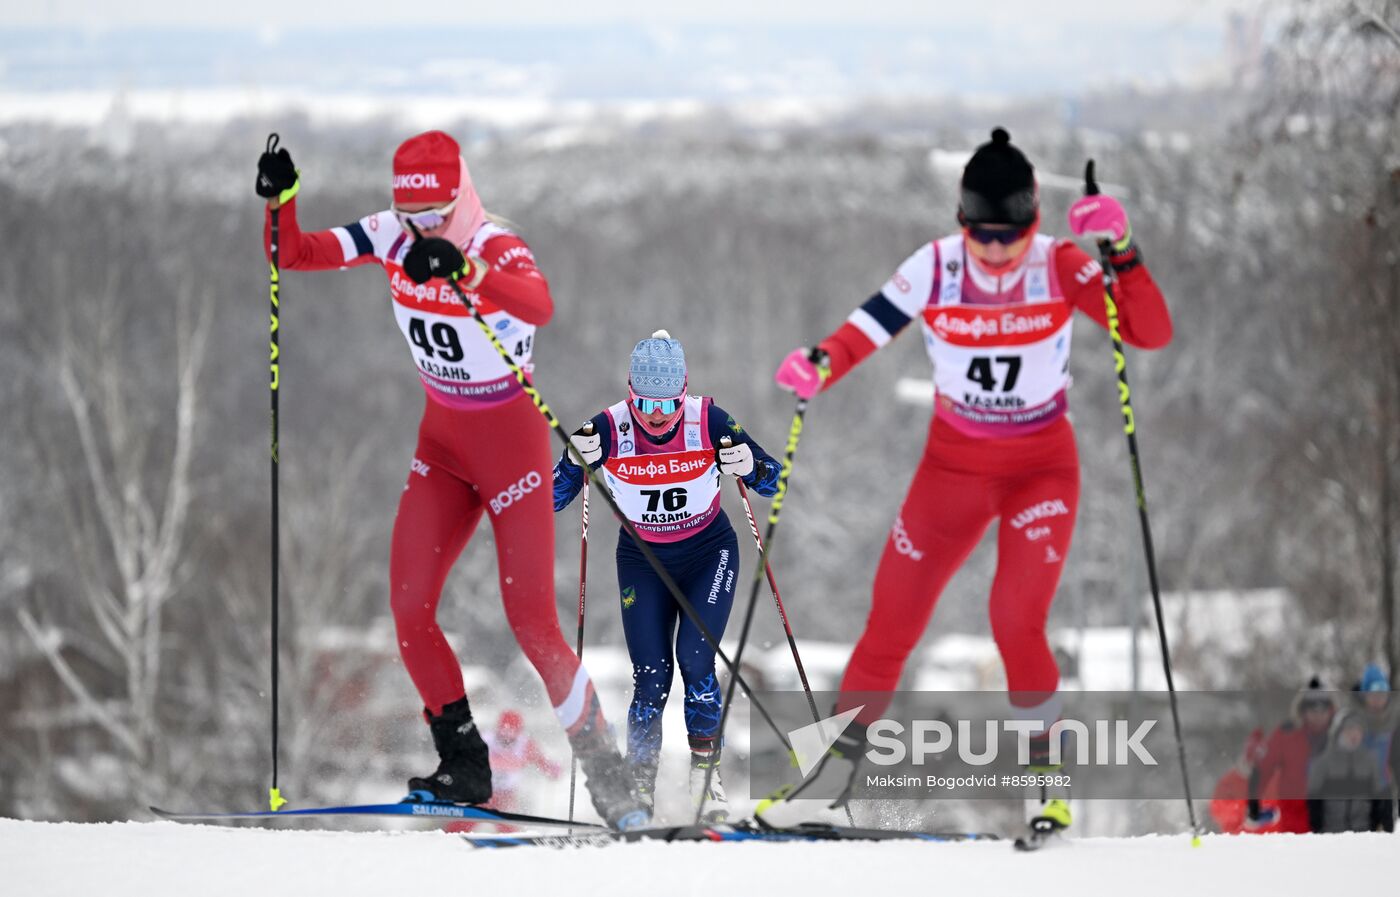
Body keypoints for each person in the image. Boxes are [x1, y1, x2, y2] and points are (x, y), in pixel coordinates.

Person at [757, 128, 1173, 833]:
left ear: (1033, 223)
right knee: (890, 619)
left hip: (1041, 467)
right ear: (961, 223)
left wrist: (1124, 251)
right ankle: (827, 776)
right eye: (982, 234)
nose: (996, 250)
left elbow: (1149, 330)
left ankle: (1045, 783)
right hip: (952, 467)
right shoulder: (938, 267)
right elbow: (865, 327)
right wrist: (821, 362)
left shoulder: (1060, 265)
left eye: (1010, 235)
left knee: (1016, 620)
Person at [255, 131, 645, 829]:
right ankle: (463, 765)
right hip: (442, 446)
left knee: (533, 623)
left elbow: (537, 302)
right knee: (409, 611)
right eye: (414, 215)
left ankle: (610, 774)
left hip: (512, 451)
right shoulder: (390, 232)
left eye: (437, 212)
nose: (424, 227)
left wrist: (466, 271)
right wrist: (283, 201)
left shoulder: (494, 244)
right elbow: (294, 253)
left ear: (460, 194)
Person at [553, 330, 781, 822]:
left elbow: (774, 480)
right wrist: (573, 464)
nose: (657, 414)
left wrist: (749, 463)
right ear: (631, 393)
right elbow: (550, 500)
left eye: (668, 402)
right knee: (651, 678)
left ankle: (707, 781)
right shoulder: (607, 429)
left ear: (683, 393)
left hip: (708, 552)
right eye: (646, 402)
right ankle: (639, 786)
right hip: (642, 560)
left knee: (697, 662)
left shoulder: (710, 421)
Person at [449, 710, 563, 834]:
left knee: (504, 820)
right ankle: (451, 837)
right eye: (504, 731)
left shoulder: (525, 745)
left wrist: (551, 769)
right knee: (468, 818)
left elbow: (540, 761)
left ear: (518, 732)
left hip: (506, 793)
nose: (507, 736)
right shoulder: (485, 739)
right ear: (499, 728)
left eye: (512, 732)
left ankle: (511, 842)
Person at [1248, 678, 1336, 833]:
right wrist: (1254, 805)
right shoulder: (1286, 735)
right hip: (1295, 828)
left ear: (1331, 711)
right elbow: (1262, 768)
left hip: (1337, 825)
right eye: (1312, 709)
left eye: (1323, 709)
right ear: (1303, 711)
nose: (1318, 714)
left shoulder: (1343, 735)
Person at [1307, 709, 1389, 833]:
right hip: (1331, 834)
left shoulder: (1371, 761)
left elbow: (1379, 799)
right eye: (1349, 729)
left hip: (1363, 833)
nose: (1354, 734)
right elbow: (1313, 800)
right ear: (1338, 732)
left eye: (1358, 730)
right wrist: (1318, 829)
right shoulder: (1323, 762)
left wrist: (1376, 826)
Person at [1353, 663, 1398, 831]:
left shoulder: (1392, 721)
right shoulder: (1352, 718)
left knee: (1386, 836)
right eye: (1373, 695)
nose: (1378, 700)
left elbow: (1396, 760)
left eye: (1382, 695)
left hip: (1383, 788)